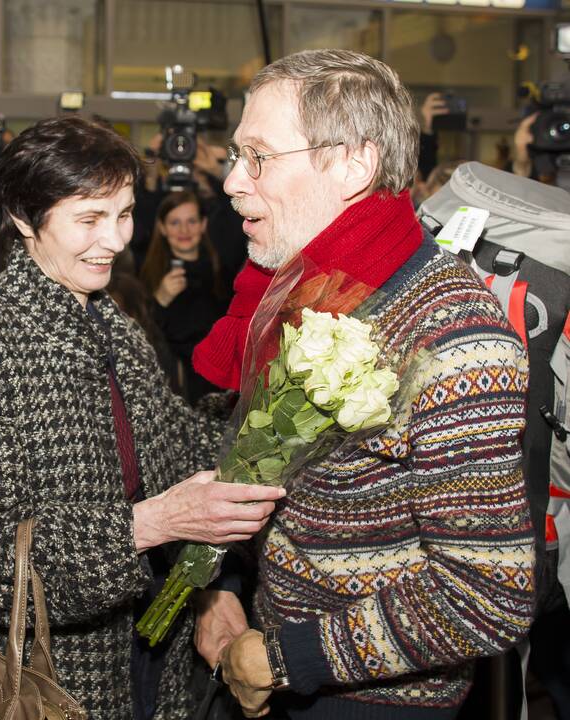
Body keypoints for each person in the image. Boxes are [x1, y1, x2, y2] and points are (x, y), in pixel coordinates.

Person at [187, 49, 535, 719]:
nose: (232, 181)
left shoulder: (453, 336)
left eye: (259, 156)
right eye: (236, 155)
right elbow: (259, 468)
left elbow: (489, 596)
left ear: (352, 163)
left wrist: (285, 658)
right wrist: (219, 585)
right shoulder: (297, 290)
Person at [0, 115, 285, 720]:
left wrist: (291, 402)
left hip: (145, 658)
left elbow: (178, 442)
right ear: (22, 220)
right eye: (88, 219)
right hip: (43, 679)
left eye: (124, 214)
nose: (114, 240)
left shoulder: (111, 326)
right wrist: (151, 524)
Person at [139, 190, 230, 403]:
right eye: (174, 223)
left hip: (221, 385)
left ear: (203, 224)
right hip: (175, 388)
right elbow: (140, 338)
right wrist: (159, 300)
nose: (184, 230)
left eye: (191, 221)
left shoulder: (222, 272)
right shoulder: (147, 275)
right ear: (162, 228)